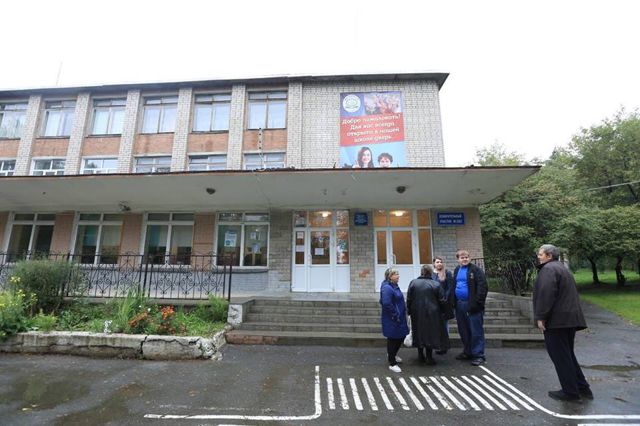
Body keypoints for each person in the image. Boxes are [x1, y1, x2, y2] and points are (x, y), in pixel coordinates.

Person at [533, 244, 592, 402]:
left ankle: (570, 392)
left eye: (540, 254)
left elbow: (546, 295)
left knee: (561, 357)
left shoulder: (548, 270)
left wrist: (541, 317)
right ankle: (582, 387)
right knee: (568, 355)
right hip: (568, 320)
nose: (538, 256)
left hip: (557, 321)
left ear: (549, 256)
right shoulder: (561, 268)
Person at [407, 264, 450, 365]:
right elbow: (442, 300)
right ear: (430, 273)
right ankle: (429, 357)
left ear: (421, 272)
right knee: (430, 334)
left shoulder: (413, 283)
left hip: (416, 312)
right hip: (432, 313)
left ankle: (420, 356)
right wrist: (446, 312)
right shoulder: (436, 284)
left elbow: (409, 298)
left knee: (418, 333)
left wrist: (409, 310)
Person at [452, 249, 488, 366]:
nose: (465, 259)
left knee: (476, 331)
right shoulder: (457, 270)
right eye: (462, 258)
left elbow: (483, 287)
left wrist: (477, 304)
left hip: (472, 305)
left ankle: (479, 355)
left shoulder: (476, 270)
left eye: (466, 257)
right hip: (460, 305)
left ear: (469, 258)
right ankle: (467, 352)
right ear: (458, 259)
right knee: (463, 330)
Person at [380, 267, 409, 373]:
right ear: (390, 276)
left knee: (401, 336)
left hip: (399, 317)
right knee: (393, 338)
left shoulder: (394, 285)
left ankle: (393, 354)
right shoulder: (387, 288)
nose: (398, 276)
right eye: (395, 274)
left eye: (398, 274)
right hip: (393, 318)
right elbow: (386, 303)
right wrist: (395, 314)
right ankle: (392, 363)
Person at [432, 256, 455, 354]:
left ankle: (444, 345)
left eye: (441, 262)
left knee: (444, 324)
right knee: (435, 324)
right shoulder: (431, 274)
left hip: (444, 303)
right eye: (437, 262)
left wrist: (444, 299)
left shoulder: (447, 273)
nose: (439, 263)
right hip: (434, 303)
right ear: (434, 264)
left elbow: (450, 288)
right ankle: (437, 344)